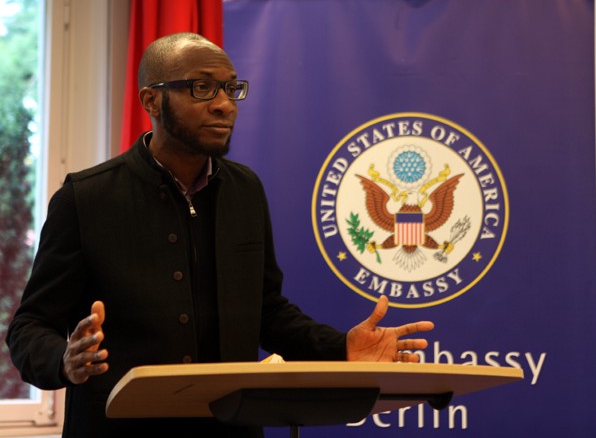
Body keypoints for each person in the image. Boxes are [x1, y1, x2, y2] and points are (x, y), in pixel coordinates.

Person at [6, 32, 434, 438]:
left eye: (231, 89)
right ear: (151, 100)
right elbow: (29, 327)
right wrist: (64, 359)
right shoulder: (86, 198)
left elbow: (267, 313)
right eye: (202, 88)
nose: (224, 105)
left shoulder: (245, 190)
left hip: (231, 429)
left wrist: (341, 348)